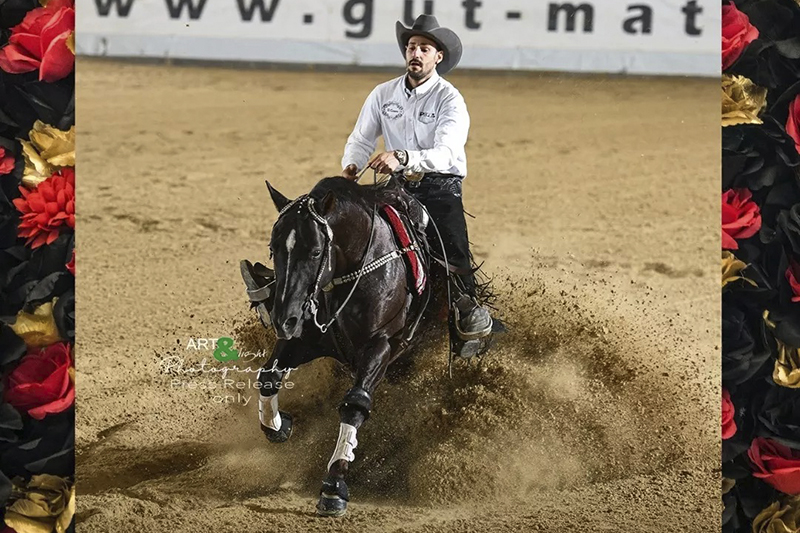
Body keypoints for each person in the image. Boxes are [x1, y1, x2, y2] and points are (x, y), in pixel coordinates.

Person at [341, 14, 492, 339]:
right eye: (412, 47)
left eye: (425, 48)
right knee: (357, 235)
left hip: (439, 190)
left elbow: (447, 153)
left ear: (439, 57)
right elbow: (361, 138)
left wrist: (403, 156)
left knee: (454, 260)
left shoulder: (449, 99)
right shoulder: (383, 94)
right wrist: (352, 165)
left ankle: (469, 316)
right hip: (396, 189)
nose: (416, 53)